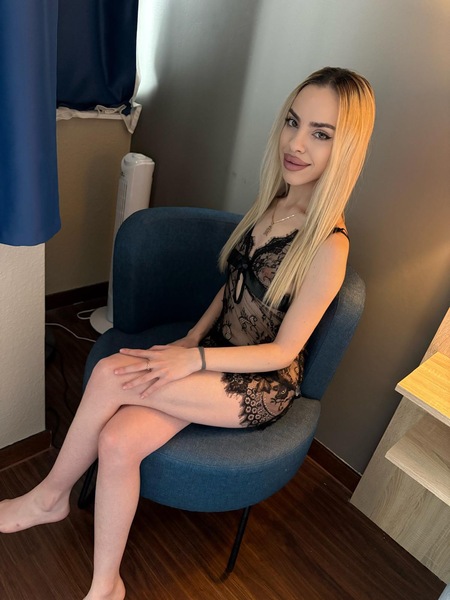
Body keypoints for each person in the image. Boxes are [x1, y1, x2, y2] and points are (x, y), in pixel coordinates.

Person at [0, 66, 375, 599]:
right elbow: (233, 286)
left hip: (261, 384)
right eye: (294, 122)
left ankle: (49, 498)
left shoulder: (329, 246)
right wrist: (192, 339)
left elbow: (284, 351)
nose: (296, 144)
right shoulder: (276, 202)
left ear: (347, 148)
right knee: (117, 440)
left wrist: (193, 362)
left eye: (321, 134)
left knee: (110, 373)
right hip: (217, 354)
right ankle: (107, 586)